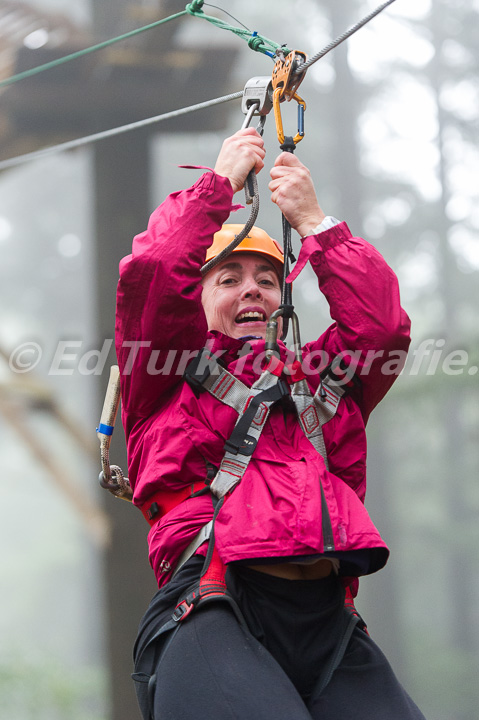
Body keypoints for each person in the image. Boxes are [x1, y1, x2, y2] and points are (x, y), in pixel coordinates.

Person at [115, 128, 425, 719]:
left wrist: (315, 225)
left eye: (265, 279)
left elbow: (382, 329)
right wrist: (219, 186)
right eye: (228, 280)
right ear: (199, 300)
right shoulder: (166, 372)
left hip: (328, 619)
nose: (250, 290)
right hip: (212, 607)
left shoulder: (325, 380)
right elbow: (154, 268)